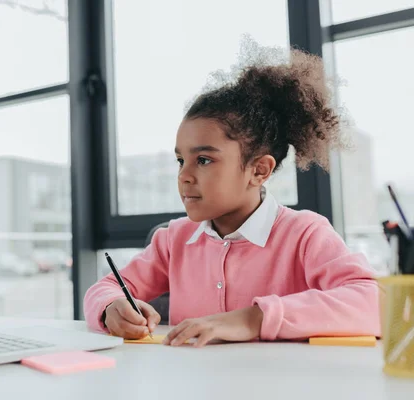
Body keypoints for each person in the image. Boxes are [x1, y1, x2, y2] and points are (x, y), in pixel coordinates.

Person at [83, 39, 380, 347]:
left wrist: (254, 318)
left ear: (259, 170)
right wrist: (110, 308)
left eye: (204, 160)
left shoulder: (305, 233)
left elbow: (373, 302)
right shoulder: (173, 240)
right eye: (180, 160)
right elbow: (104, 288)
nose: (184, 176)